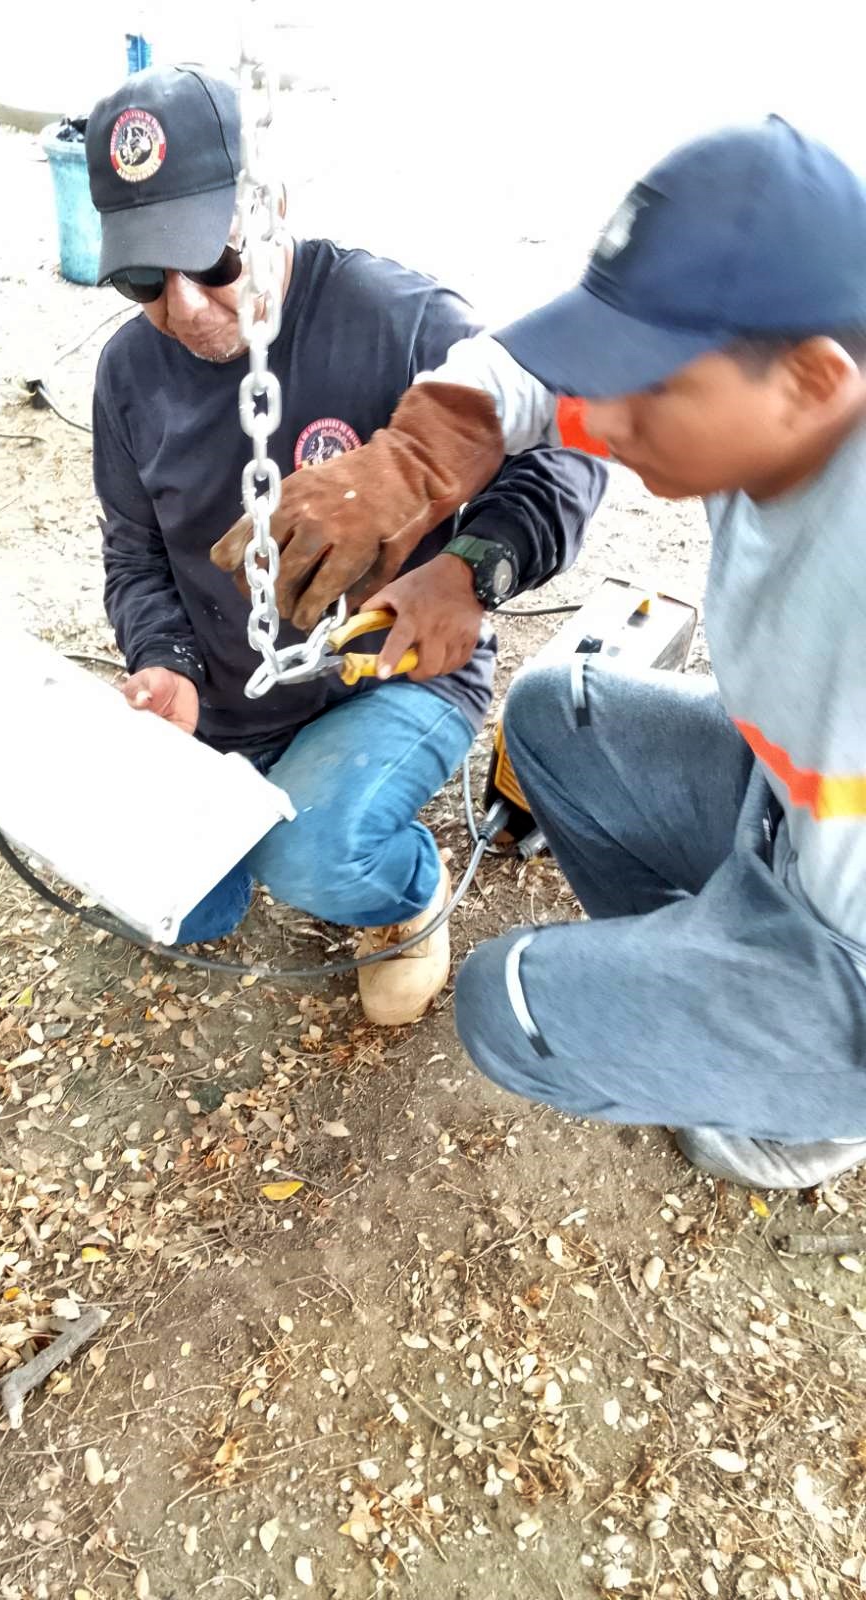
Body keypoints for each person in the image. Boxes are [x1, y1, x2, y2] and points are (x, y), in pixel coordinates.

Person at [213, 115, 866, 1189]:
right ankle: (719, 984)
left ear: (810, 381)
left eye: (649, 384)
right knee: (554, 714)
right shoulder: (784, 406)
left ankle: (801, 1110)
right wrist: (416, 471)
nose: (601, 415)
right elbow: (518, 378)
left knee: (508, 1002)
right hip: (794, 811)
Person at [84, 65, 607, 1025]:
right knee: (185, 909)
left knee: (316, 857)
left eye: (214, 261)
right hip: (226, 692)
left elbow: (568, 454)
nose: (186, 305)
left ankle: (405, 889)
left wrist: (468, 573)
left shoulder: (398, 319)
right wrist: (165, 663)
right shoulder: (126, 374)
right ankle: (263, 808)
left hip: (383, 674)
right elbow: (135, 556)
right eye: (143, 279)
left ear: (271, 209)